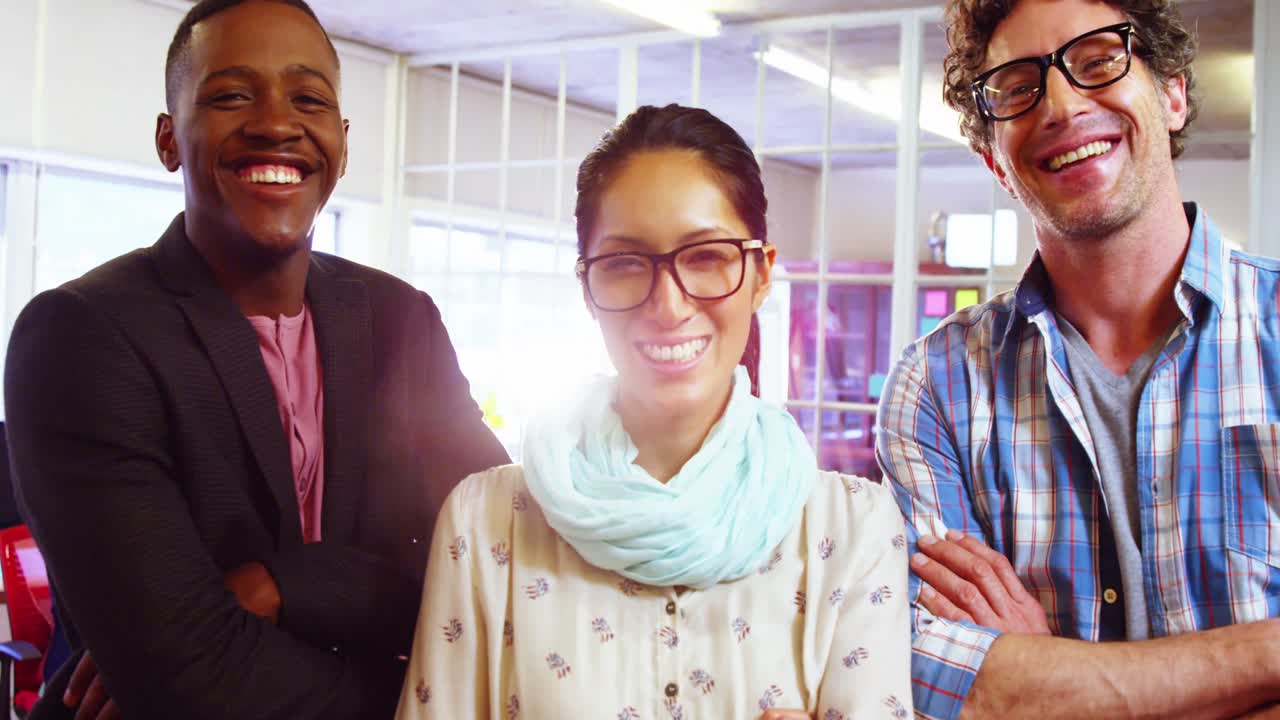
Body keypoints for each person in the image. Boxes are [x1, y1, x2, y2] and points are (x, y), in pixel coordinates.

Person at [3, 1, 509, 718]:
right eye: (231, 95)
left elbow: (493, 563)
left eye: (308, 98)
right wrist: (420, 690)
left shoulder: (402, 321)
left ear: (342, 140)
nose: (276, 123)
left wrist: (287, 584)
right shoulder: (82, 336)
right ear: (169, 138)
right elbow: (186, 670)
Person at [394, 104, 912, 720]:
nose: (668, 305)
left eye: (706, 256)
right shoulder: (487, 524)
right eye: (624, 263)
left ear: (761, 274)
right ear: (587, 286)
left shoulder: (848, 528)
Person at [876, 0, 1280, 718]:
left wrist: (1047, 679)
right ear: (993, 159)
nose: (1060, 105)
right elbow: (937, 681)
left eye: (1098, 61)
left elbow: (1013, 697)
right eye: (1018, 87)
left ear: (1174, 93)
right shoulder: (936, 387)